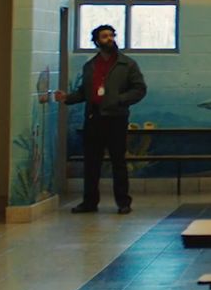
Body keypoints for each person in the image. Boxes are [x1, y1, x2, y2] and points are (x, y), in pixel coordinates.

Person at [54, 24, 147, 214]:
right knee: (91, 163)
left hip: (116, 119)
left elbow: (139, 89)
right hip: (94, 118)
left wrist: (119, 100)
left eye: (112, 36)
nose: (110, 39)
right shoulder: (90, 66)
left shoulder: (127, 64)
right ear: (97, 40)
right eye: (105, 36)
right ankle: (89, 202)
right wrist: (67, 98)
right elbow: (84, 92)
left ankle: (123, 202)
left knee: (118, 162)